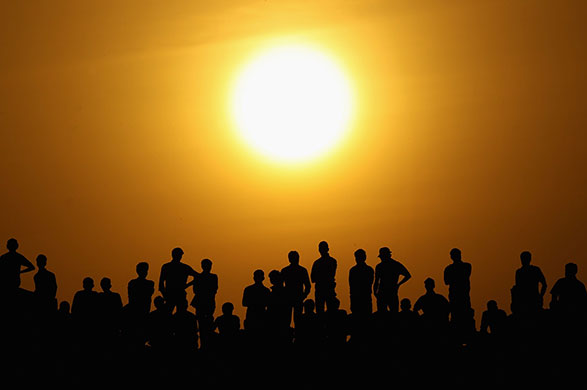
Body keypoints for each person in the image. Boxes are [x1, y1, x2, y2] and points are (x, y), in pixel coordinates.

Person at [187, 258, 218, 342]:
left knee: (206, 322)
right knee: (203, 323)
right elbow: (196, 290)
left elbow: (214, 289)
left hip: (206, 302)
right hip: (204, 302)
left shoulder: (210, 277)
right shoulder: (203, 277)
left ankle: (206, 342)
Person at [158, 247, 197, 313]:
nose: (180, 257)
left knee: (179, 315)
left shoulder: (182, 267)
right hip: (173, 294)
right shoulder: (182, 267)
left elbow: (197, 276)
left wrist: (187, 285)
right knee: (170, 314)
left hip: (176, 294)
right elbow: (161, 283)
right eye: (179, 255)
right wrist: (165, 295)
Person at [373, 247, 411, 314]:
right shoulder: (394, 265)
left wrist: (398, 284)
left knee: (389, 314)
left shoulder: (391, 265)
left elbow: (408, 275)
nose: (381, 258)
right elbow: (376, 281)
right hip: (387, 293)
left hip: (388, 293)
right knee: (390, 314)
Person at [511, 251, 547, 316]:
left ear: (529, 259)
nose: (523, 260)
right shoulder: (519, 272)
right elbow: (518, 287)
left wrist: (540, 296)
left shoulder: (535, 270)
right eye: (522, 258)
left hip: (534, 300)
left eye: (525, 258)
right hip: (523, 301)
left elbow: (544, 284)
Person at [280, 250, 311, 326]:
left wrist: (303, 296)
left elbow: (308, 286)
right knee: (291, 320)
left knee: (293, 320)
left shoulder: (285, 270)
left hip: (294, 298)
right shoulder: (302, 270)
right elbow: (308, 286)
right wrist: (303, 296)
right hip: (293, 298)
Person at [444, 248, 472, 320]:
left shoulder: (467, 266)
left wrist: (454, 277)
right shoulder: (448, 268)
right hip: (454, 296)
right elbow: (446, 282)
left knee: (466, 316)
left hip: (464, 295)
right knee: (455, 316)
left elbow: (465, 276)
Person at [310, 241, 338, 314]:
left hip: (324, 289)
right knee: (327, 311)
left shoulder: (317, 263)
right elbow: (313, 278)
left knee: (323, 312)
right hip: (326, 289)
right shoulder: (332, 261)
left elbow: (313, 278)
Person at [348, 249, 374, 316]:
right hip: (357, 298)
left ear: (364, 257)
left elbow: (369, 283)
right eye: (356, 257)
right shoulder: (353, 270)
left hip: (364, 297)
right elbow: (351, 285)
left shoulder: (369, 270)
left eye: (359, 257)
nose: (357, 259)